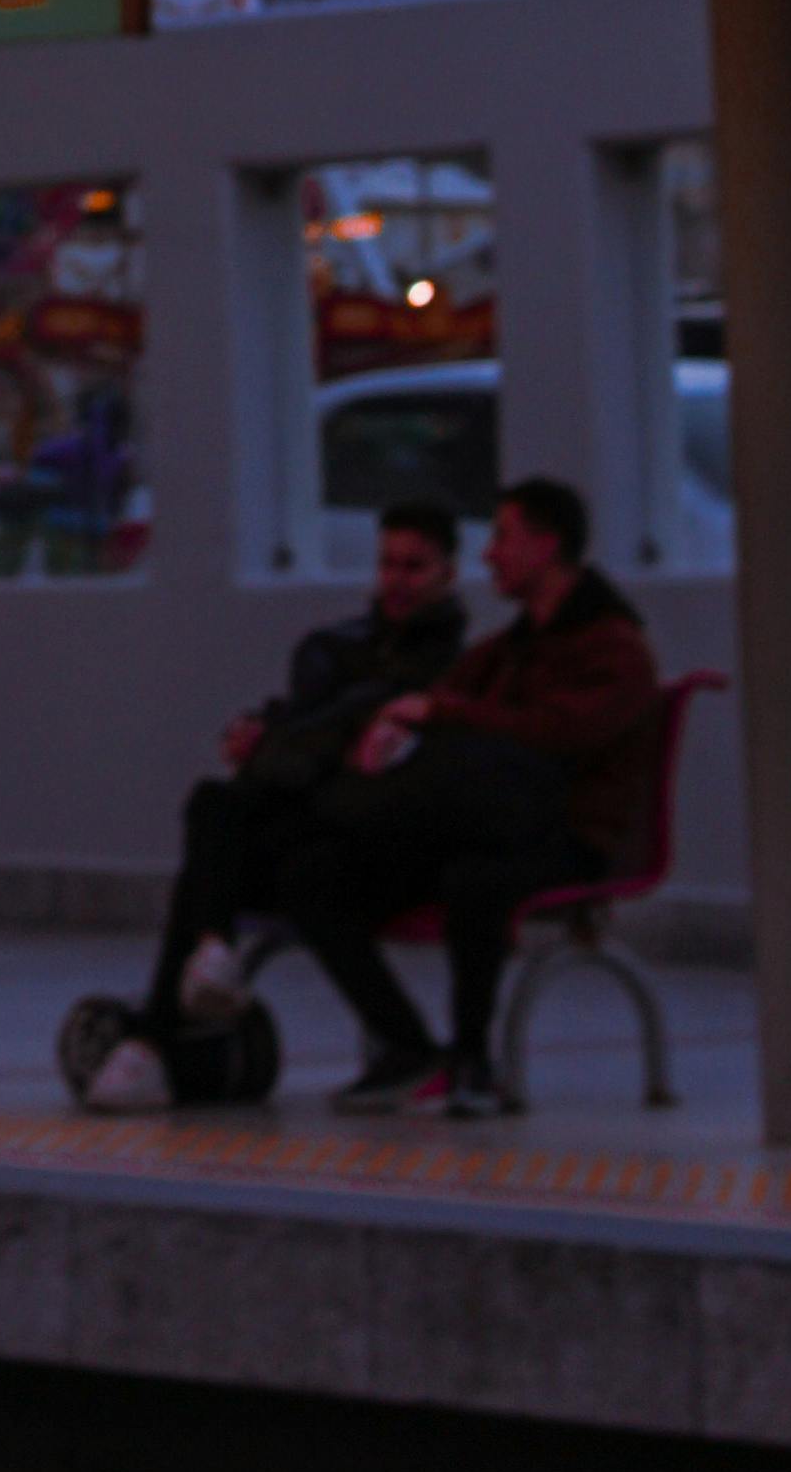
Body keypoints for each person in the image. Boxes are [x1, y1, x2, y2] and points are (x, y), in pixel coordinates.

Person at [274, 471, 662, 1118]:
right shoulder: (510, 648)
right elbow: (451, 699)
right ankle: (408, 1047)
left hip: (565, 835)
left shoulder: (614, 650)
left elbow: (557, 734)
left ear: (546, 546)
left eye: (504, 538)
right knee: (312, 874)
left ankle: (474, 1057)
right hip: (479, 824)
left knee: (472, 880)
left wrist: (440, 715)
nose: (488, 553)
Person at [77, 508, 467, 1106]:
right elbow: (320, 730)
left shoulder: (441, 667)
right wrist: (270, 732)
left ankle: (163, 1025)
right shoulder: (348, 648)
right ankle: (197, 974)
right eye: (389, 563)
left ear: (448, 573)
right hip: (309, 819)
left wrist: (275, 744)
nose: (397, 579)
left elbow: (338, 745)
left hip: (359, 832)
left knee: (222, 822)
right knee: (220, 819)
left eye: (414, 566)